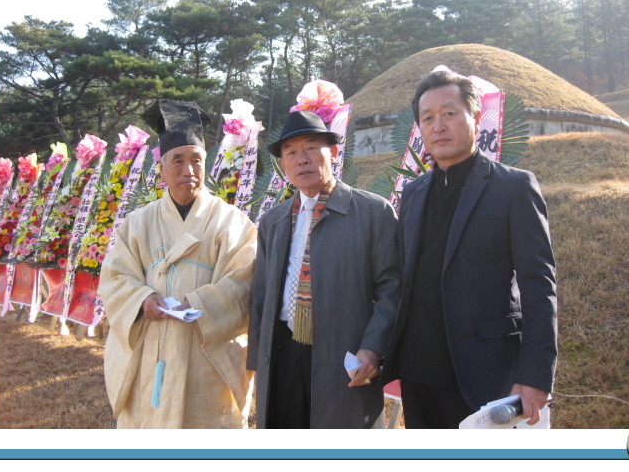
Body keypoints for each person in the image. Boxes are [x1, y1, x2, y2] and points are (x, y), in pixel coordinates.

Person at [382, 69, 557, 428]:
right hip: (418, 371)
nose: (438, 126)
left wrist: (536, 374)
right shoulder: (413, 192)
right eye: (427, 118)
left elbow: (539, 283)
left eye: (449, 113)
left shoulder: (513, 187)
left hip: (483, 372)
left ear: (476, 118)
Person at [98, 100, 257, 428]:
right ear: (162, 168)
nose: (188, 170)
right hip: (149, 347)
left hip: (204, 353)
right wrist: (142, 299)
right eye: (178, 161)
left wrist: (199, 304)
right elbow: (115, 276)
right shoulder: (137, 223)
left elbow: (245, 281)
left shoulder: (232, 222)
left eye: (196, 161)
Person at [247, 110, 401, 428]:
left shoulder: (372, 212)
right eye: (291, 152)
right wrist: (258, 361)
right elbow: (260, 294)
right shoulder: (273, 221)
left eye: (311, 148)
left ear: (332, 152)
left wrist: (373, 349)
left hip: (344, 353)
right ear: (283, 164)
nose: (301, 159)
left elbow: (392, 289)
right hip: (283, 352)